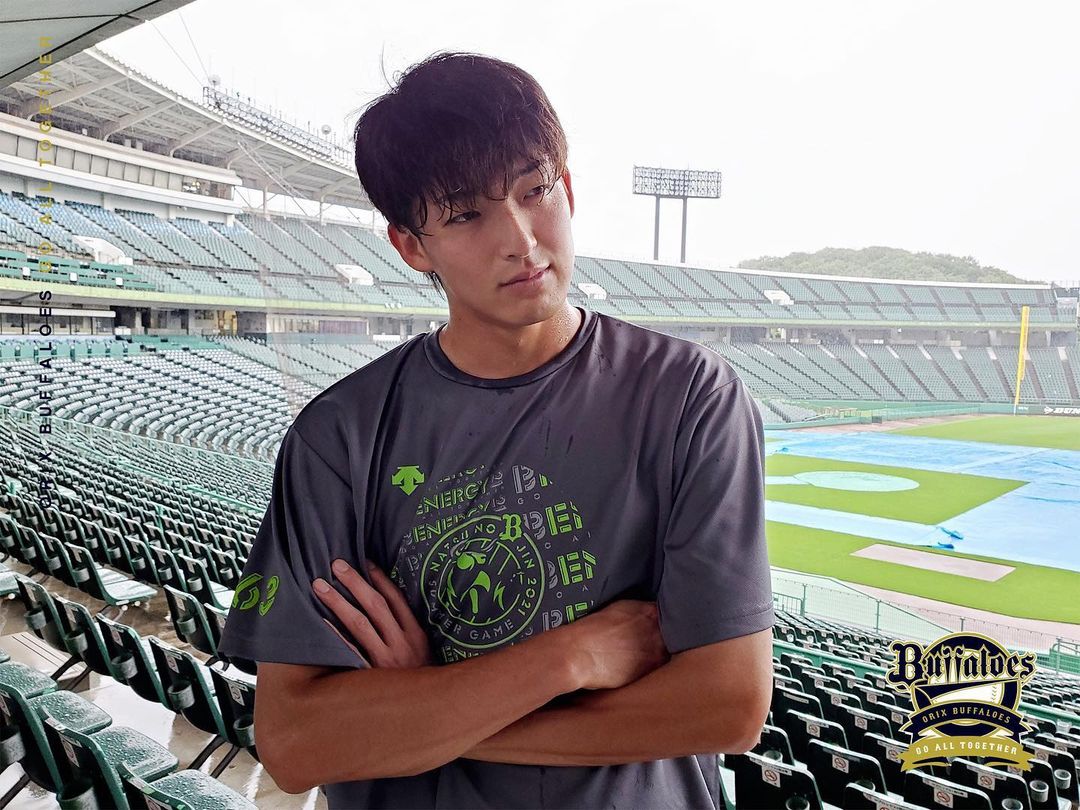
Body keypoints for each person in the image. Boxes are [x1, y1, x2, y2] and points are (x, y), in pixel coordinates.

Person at [217, 51, 774, 809]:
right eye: (465, 214)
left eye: (534, 190)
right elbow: (295, 743)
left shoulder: (688, 396)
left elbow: (727, 706)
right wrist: (568, 658)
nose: (519, 238)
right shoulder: (339, 437)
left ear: (567, 188)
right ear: (412, 245)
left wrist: (423, 708)